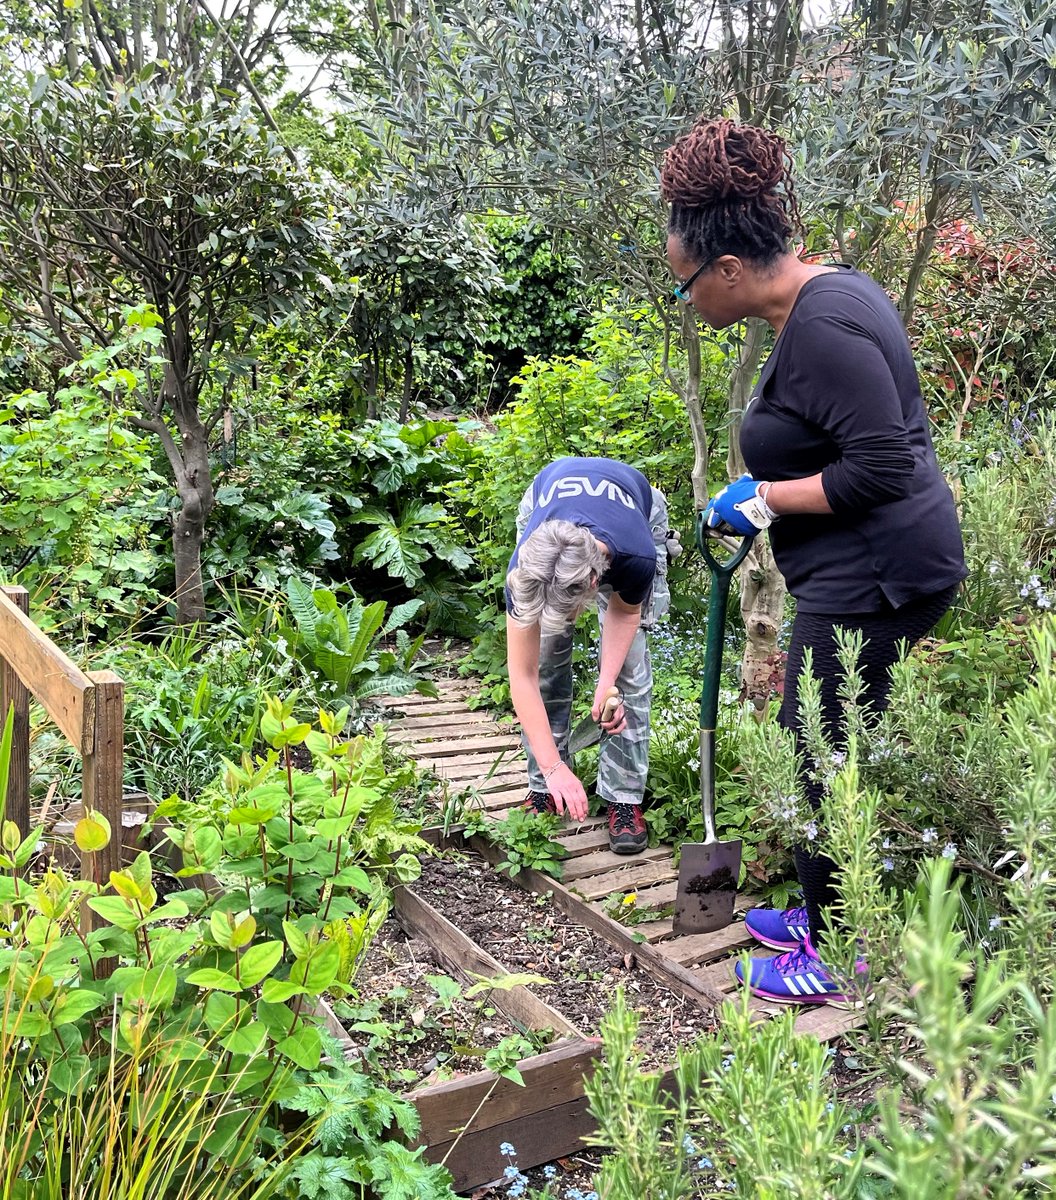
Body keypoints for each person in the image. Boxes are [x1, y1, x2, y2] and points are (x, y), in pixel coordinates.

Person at [661, 118, 967, 1004]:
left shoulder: (824, 326)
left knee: (817, 754)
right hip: (859, 568)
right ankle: (819, 908)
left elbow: (883, 466)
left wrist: (760, 496)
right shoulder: (825, 295)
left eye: (683, 289)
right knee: (823, 744)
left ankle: (838, 951)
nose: (687, 303)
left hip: (879, 577)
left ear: (725, 271)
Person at [505, 456, 674, 854]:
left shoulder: (636, 557)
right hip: (545, 501)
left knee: (629, 671)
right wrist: (553, 767)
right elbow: (522, 675)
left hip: (638, 510)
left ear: (595, 583)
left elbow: (625, 611)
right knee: (545, 657)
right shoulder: (527, 568)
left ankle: (624, 798)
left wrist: (606, 683)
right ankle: (545, 785)